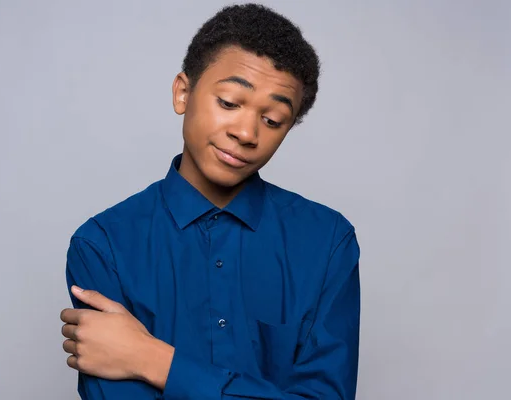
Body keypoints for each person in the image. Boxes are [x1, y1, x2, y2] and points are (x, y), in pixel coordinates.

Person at [59, 3, 360, 399]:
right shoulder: (104, 246)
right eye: (230, 102)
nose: (247, 132)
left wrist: (155, 361)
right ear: (183, 92)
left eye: (272, 120)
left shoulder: (326, 241)